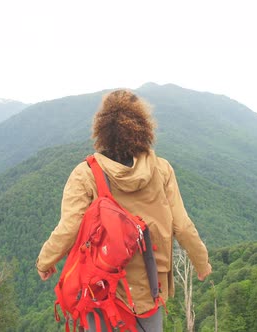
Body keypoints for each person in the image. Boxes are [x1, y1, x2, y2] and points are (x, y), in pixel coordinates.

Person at [36, 89, 212, 331]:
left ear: (102, 128)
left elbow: (69, 227)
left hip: (102, 290)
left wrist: (45, 261)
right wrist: (201, 264)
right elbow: (182, 226)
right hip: (150, 289)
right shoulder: (161, 170)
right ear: (143, 126)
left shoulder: (86, 174)